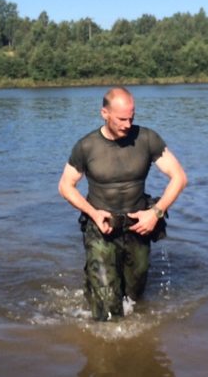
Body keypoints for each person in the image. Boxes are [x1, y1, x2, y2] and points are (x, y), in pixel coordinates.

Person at [58, 86, 187, 321]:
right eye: (121, 119)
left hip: (139, 225)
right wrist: (93, 213)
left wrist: (155, 213)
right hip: (101, 226)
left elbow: (179, 177)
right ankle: (100, 303)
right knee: (109, 307)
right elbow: (65, 185)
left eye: (132, 118)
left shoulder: (147, 139)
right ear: (104, 113)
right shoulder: (86, 146)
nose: (128, 125)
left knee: (134, 296)